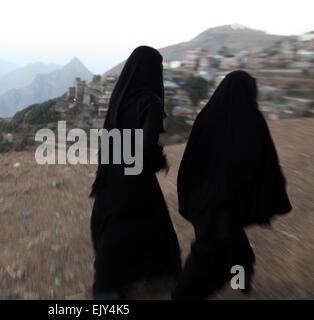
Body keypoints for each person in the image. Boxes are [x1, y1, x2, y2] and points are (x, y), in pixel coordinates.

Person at [173, 70, 292, 300]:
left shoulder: (207, 117)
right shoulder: (253, 121)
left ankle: (188, 293)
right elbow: (267, 163)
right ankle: (237, 276)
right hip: (232, 200)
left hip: (204, 199)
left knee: (213, 245)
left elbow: (191, 159)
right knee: (220, 243)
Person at [90, 46, 182, 299]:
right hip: (136, 177)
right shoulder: (150, 102)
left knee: (115, 228)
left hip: (112, 172)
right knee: (154, 225)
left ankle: (107, 286)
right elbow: (146, 145)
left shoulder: (121, 96)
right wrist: (158, 160)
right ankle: (158, 275)